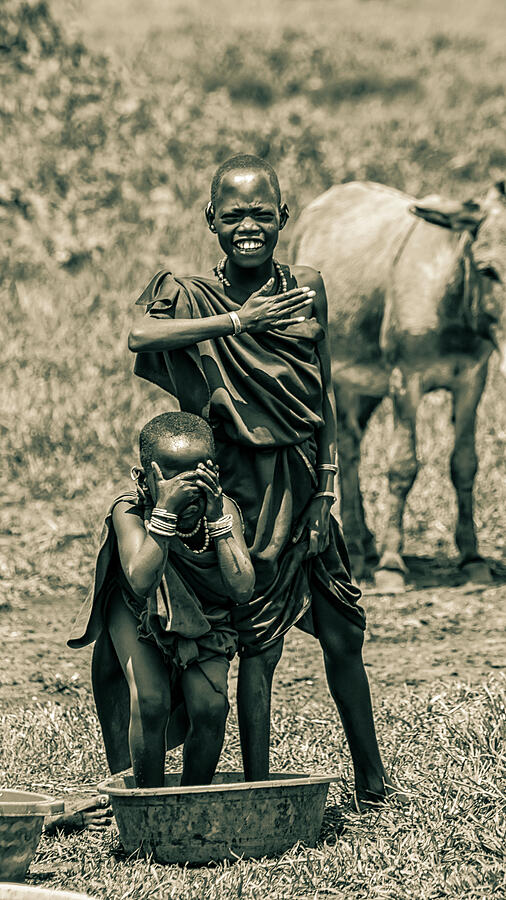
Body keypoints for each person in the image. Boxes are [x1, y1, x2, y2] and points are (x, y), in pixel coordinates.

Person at [128, 154, 398, 810]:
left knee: (343, 634)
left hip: (303, 487)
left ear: (282, 216)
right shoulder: (191, 294)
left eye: (261, 213)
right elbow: (141, 332)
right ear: (211, 219)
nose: (248, 225)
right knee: (260, 646)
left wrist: (327, 490)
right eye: (234, 214)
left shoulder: (307, 286)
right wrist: (238, 323)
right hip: (241, 493)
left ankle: (374, 781)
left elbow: (324, 391)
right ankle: (256, 784)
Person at [68, 411, 254, 788]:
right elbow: (139, 579)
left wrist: (218, 520)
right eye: (172, 478)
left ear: (214, 473)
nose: (187, 489)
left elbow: (242, 587)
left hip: (206, 619)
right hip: (137, 612)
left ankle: (191, 798)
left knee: (211, 706)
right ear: (144, 477)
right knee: (150, 701)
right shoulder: (131, 510)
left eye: (199, 476)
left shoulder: (223, 509)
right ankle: (146, 801)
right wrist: (165, 514)